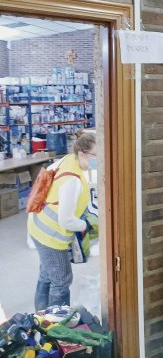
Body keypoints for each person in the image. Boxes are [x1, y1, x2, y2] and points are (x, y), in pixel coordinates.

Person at [27, 130, 97, 311]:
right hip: (50, 236)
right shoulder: (72, 180)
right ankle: (57, 326)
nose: (98, 160)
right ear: (82, 153)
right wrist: (86, 225)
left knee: (47, 273)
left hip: (37, 225)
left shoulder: (68, 160)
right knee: (61, 279)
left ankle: (41, 317)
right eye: (96, 156)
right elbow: (66, 220)